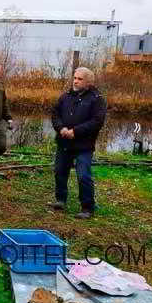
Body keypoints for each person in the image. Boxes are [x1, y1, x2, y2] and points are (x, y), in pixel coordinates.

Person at [49, 67, 106, 219]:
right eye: (75, 77)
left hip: (84, 145)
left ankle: (87, 207)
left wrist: (76, 131)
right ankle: (60, 200)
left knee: (83, 176)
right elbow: (55, 114)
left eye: (80, 79)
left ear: (88, 82)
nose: (75, 81)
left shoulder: (97, 99)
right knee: (59, 171)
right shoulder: (65, 96)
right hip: (64, 142)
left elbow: (97, 121)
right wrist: (60, 128)